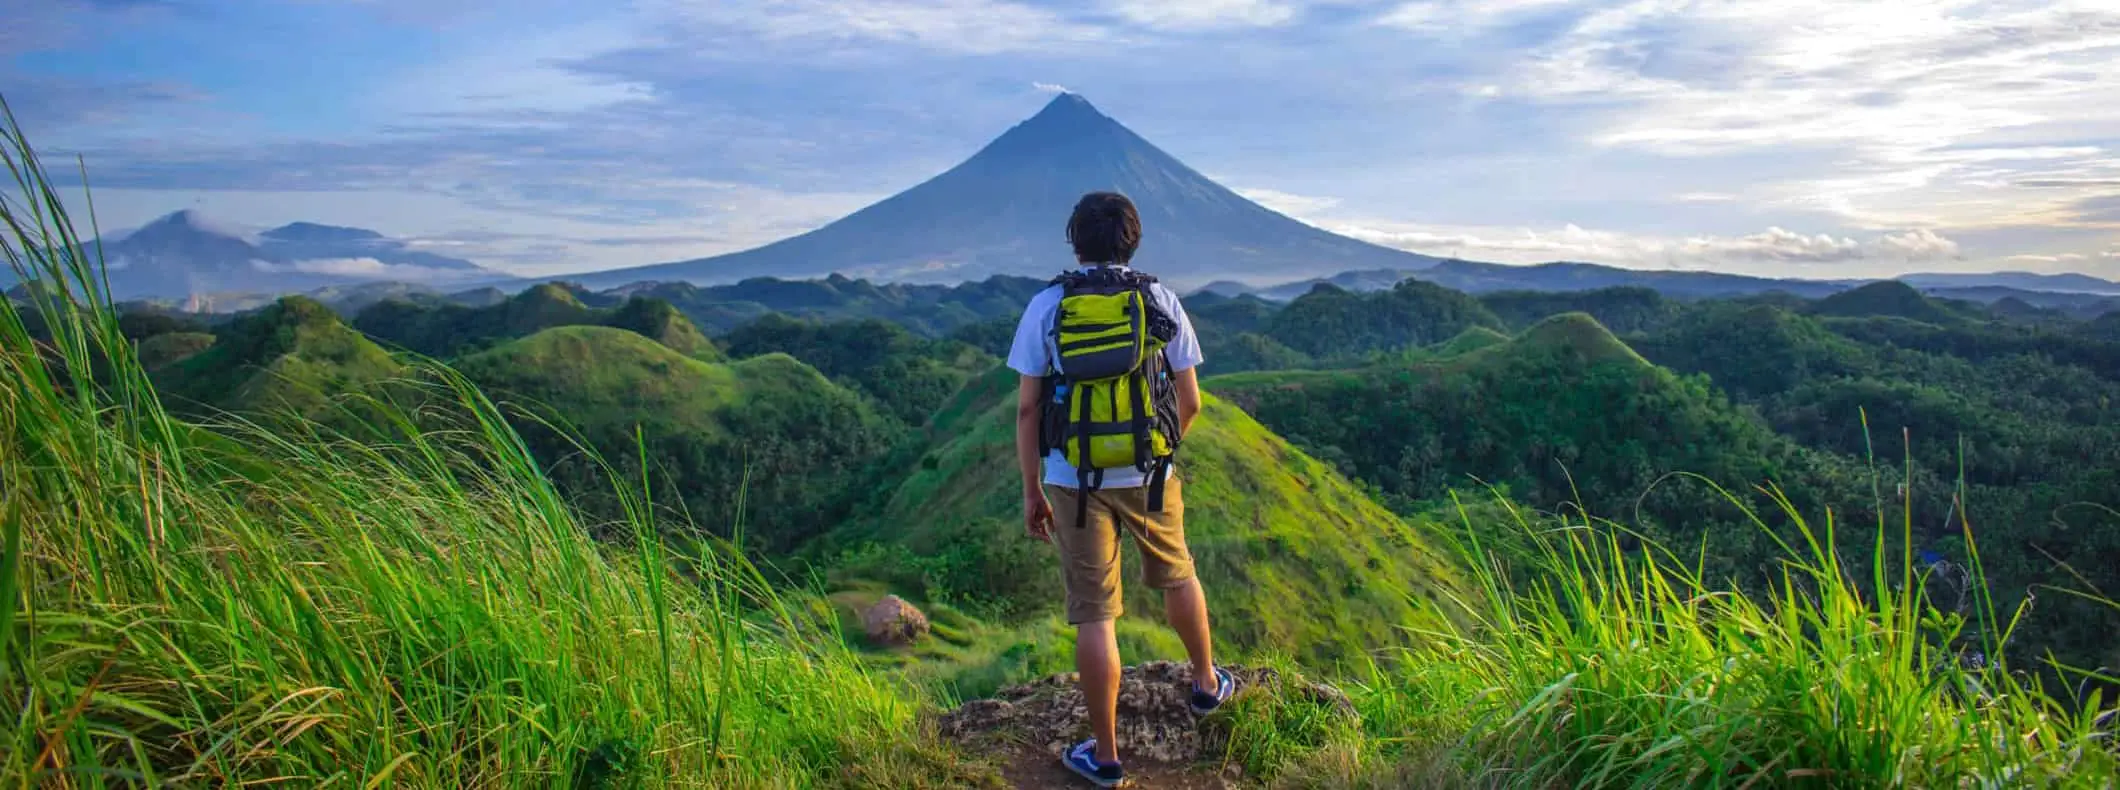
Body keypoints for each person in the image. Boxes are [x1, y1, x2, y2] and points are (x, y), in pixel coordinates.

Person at [1006, 191, 1234, 787]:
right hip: (1150, 473)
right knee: (1178, 573)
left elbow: (1029, 410)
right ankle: (1207, 685)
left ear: (1074, 241)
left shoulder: (1048, 304)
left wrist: (1032, 488)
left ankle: (1106, 759)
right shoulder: (1158, 298)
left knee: (1095, 614)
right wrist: (1156, 452)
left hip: (1071, 478)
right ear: (1133, 241)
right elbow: (1191, 401)